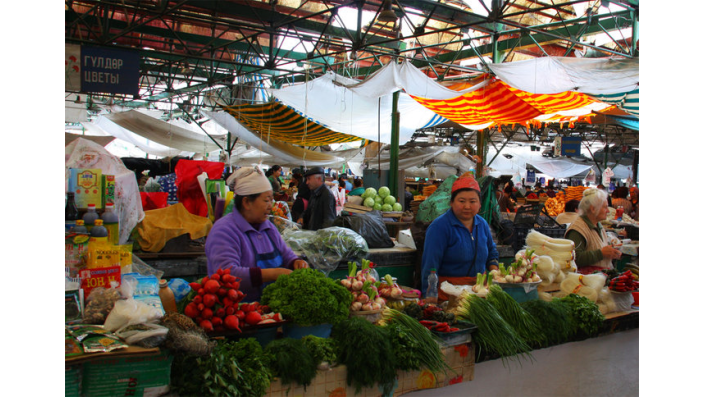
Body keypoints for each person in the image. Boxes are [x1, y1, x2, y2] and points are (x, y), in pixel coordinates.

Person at [205, 166, 309, 302]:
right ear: (247, 202)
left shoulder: (269, 228)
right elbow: (227, 274)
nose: (270, 206)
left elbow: (286, 254)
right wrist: (274, 273)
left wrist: (296, 262)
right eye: (266, 200)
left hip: (270, 310)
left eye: (271, 200)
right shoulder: (224, 230)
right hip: (238, 313)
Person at [420, 175, 500, 302]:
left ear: (479, 204)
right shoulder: (439, 227)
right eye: (461, 201)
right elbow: (430, 265)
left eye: (472, 201)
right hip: (447, 293)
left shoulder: (482, 224)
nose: (467, 206)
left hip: (478, 292)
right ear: (451, 202)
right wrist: (429, 294)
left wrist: (495, 272)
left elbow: (492, 252)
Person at [564, 188, 622, 274]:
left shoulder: (598, 225)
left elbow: (595, 246)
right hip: (585, 281)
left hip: (599, 278)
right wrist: (601, 253)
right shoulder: (577, 229)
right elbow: (574, 258)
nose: (608, 211)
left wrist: (611, 251)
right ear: (593, 209)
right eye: (605, 207)